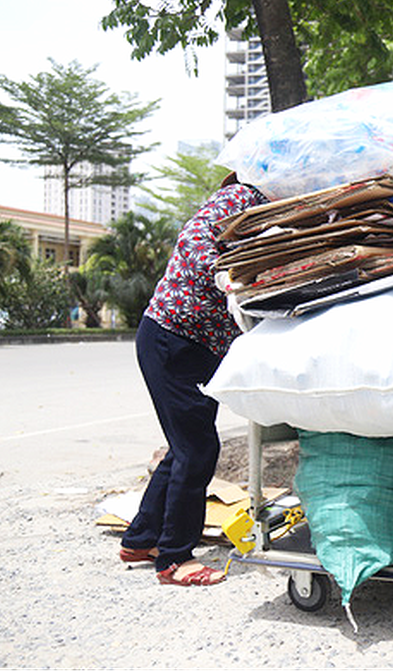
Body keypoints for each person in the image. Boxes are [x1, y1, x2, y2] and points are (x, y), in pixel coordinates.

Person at [119, 174, 268, 586]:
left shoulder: (272, 211)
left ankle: (141, 538)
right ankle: (174, 560)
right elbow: (194, 238)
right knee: (199, 448)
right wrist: (223, 276)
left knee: (184, 447)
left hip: (199, 348)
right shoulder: (244, 196)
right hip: (172, 339)